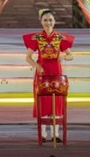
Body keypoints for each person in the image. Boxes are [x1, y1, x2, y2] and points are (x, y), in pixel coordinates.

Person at [23, 9, 74, 142]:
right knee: (43, 101)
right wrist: (37, 66)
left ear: (54, 22)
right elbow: (28, 58)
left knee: (56, 101)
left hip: (56, 73)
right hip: (42, 74)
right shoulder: (37, 38)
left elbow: (71, 55)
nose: (48, 23)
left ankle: (55, 134)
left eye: (50, 20)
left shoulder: (60, 38)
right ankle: (43, 134)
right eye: (45, 20)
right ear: (41, 22)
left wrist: (64, 56)